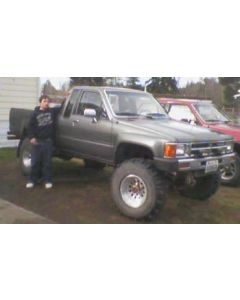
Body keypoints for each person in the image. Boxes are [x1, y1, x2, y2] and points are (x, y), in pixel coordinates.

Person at [26, 95, 60, 189]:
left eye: (48, 101)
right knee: (35, 162)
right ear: (40, 102)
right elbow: (30, 127)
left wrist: (68, 96)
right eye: (44, 101)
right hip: (37, 141)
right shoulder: (34, 114)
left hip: (48, 141)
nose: (46, 103)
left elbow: (62, 107)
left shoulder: (52, 111)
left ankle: (47, 180)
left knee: (47, 163)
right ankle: (32, 180)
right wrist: (31, 137)